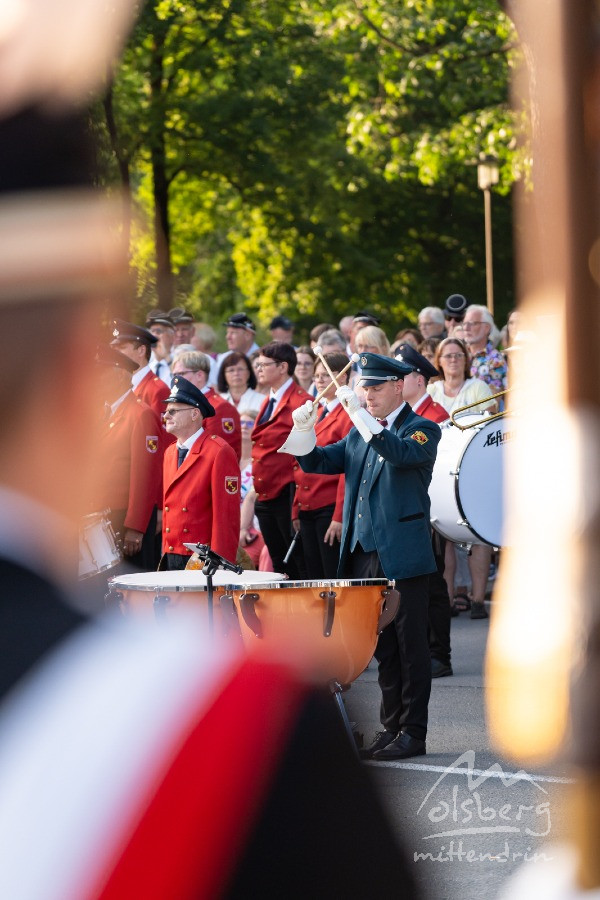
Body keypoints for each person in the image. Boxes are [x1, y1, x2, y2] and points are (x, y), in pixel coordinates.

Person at [288, 352, 441, 760]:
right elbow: (319, 462)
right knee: (383, 647)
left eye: (375, 388)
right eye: (363, 388)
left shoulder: (422, 428)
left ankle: (414, 731)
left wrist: (362, 418)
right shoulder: (359, 431)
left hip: (402, 554)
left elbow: (400, 454)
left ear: (397, 386)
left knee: (411, 646)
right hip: (362, 553)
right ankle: (392, 727)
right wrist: (303, 431)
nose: (367, 395)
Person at [395, 343, 453, 678]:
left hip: (428, 509)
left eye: (403, 376)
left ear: (420, 379)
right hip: (409, 509)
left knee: (432, 585)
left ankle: (438, 653)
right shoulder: (402, 415)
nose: (398, 383)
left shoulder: (435, 417)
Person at [91, 344, 163, 571]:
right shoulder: (102, 412)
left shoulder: (140, 415)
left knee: (132, 585)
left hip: (124, 518)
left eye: (101, 373)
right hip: (101, 517)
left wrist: (136, 527)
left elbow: (145, 477)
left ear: (120, 376)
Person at [161, 375, 240, 570]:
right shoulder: (170, 451)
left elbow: (226, 515)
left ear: (195, 414)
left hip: (202, 559)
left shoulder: (218, 451)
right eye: (166, 411)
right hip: (172, 550)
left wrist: (221, 563)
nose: (166, 416)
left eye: (173, 411)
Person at [251, 342, 311, 578]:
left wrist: (297, 502)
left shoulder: (300, 401)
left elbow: (303, 454)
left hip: (287, 492)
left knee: (296, 561)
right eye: (258, 364)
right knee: (278, 564)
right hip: (266, 492)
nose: (259, 369)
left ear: (283, 367)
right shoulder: (269, 400)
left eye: (264, 364)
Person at [291, 352, 353, 578]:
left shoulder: (348, 414)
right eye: (317, 375)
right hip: (308, 505)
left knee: (332, 576)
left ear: (343, 378)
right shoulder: (315, 412)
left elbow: (349, 470)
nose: (319, 380)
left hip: (328, 507)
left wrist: (339, 516)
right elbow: (300, 462)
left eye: (327, 375)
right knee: (313, 574)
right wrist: (296, 506)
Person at [171, 350, 242, 460]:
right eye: (174, 375)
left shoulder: (220, 407)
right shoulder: (180, 405)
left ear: (199, 375)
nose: (176, 380)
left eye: (181, 374)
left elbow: (221, 455)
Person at [110, 318, 170, 419]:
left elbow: (159, 433)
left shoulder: (158, 390)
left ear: (141, 351)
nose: (116, 354)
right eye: (115, 349)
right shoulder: (116, 385)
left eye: (122, 348)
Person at [428, 336, 496, 415]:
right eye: (448, 356)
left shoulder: (479, 387)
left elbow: (492, 423)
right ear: (439, 361)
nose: (453, 360)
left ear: (465, 360)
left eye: (458, 355)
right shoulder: (431, 391)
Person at [463, 304, 508, 392]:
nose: (466, 328)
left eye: (472, 323)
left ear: (486, 328)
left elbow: (493, 402)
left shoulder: (496, 361)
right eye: (464, 323)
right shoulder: (458, 354)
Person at [217, 351, 265, 415]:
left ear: (248, 373)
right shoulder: (217, 401)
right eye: (231, 370)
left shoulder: (263, 400)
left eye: (240, 369)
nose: (236, 373)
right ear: (224, 375)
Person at [145, 309, 175, 384]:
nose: (154, 335)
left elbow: (182, 383)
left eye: (158, 331)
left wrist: (166, 358)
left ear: (171, 336)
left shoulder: (179, 359)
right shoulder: (146, 362)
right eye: (152, 331)